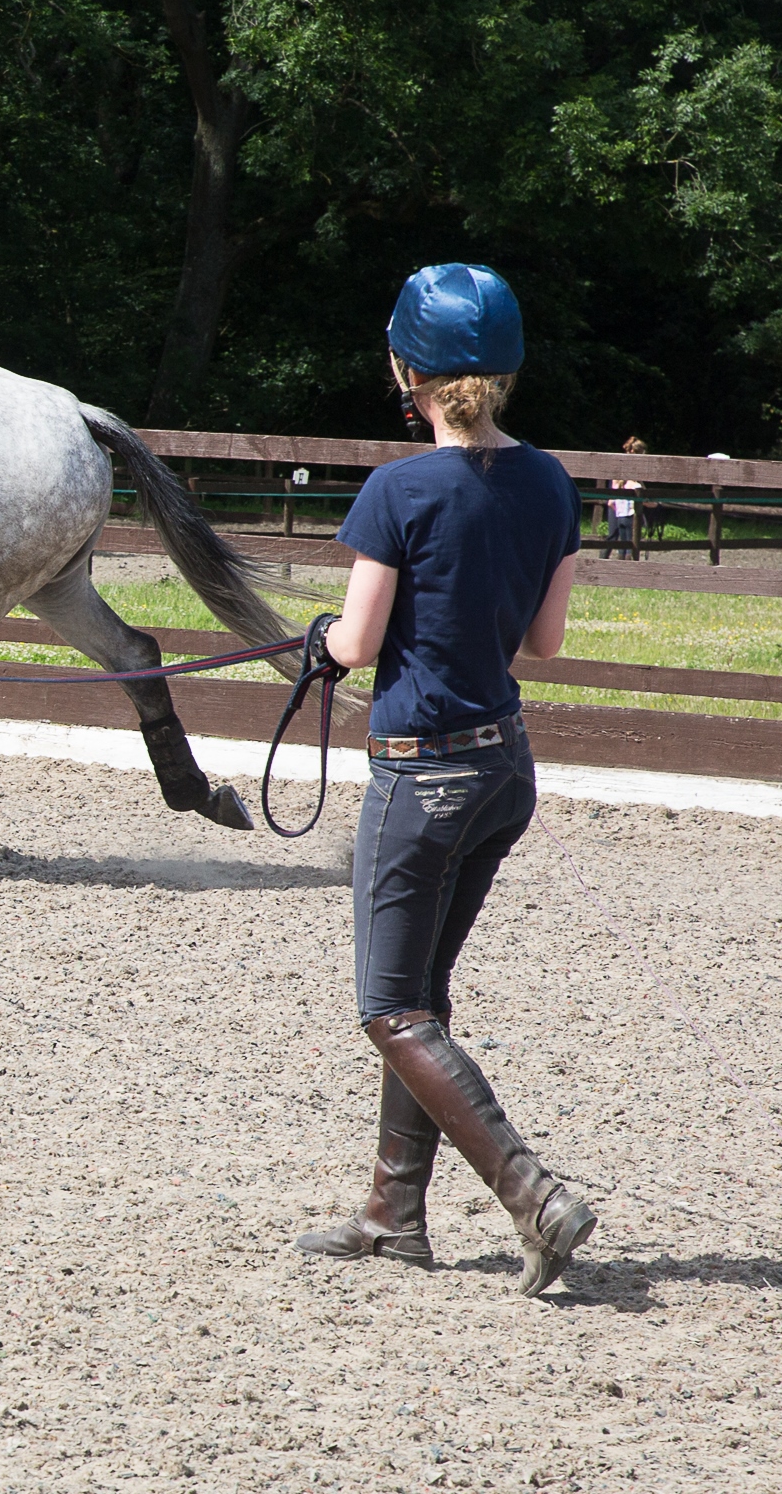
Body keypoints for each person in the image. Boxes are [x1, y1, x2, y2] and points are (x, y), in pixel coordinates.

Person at [294, 262, 596, 1297]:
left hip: (419, 773)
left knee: (387, 1007)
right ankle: (391, 1214)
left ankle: (532, 1195)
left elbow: (356, 637)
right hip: (502, 768)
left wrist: (322, 647)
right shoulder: (552, 482)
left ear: (403, 371)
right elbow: (545, 640)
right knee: (421, 995)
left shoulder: (396, 489)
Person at [603, 437, 646, 559]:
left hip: (621, 505)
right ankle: (604, 559)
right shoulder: (624, 467)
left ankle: (616, 560)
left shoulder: (632, 468)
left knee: (623, 537)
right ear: (634, 452)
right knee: (618, 535)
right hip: (621, 506)